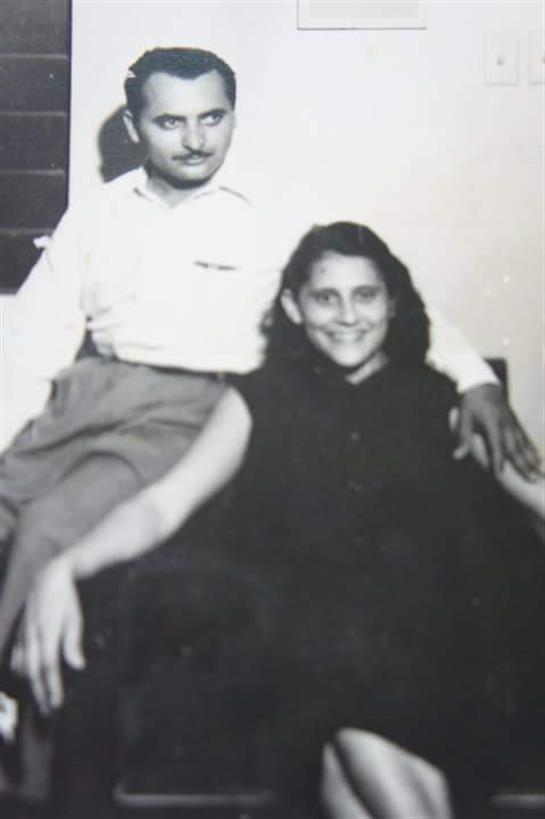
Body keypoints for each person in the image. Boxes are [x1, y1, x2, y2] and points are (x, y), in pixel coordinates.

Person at [15, 223, 544, 817]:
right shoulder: (260, 400)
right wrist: (65, 565)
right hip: (316, 637)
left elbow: (535, 493)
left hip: (427, 642)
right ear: (293, 307)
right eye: (325, 297)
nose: (347, 316)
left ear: (393, 303)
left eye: (365, 295)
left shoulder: (441, 399)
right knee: (343, 712)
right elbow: (162, 505)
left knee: (351, 750)